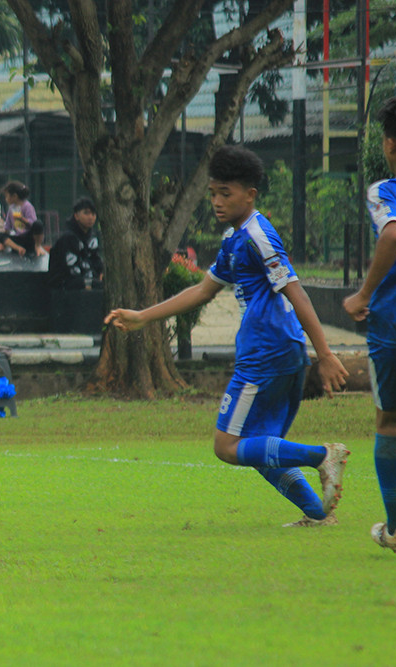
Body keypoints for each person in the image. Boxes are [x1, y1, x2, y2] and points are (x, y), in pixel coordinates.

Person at [104, 144, 350, 527]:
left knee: (227, 446)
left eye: (226, 193)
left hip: (266, 350)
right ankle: (318, 515)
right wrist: (142, 317)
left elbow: (296, 292)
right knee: (259, 448)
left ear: (250, 194)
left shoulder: (257, 235)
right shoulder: (234, 238)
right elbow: (203, 290)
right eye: (213, 193)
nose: (217, 202)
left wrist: (327, 354)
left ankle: (322, 456)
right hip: (282, 349)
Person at [343, 96, 396, 554]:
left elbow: (394, 232)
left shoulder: (385, 191)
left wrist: (363, 293)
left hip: (393, 322)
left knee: (390, 419)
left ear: (389, 144)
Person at [48, 197, 104, 290]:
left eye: (93, 214)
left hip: (84, 280)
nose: (90, 217)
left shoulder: (92, 236)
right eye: (86, 213)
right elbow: (71, 270)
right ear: (76, 216)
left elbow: (95, 259)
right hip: (64, 285)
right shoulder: (68, 238)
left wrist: (101, 271)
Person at [1, 181, 47, 257]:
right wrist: (5, 235)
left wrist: (21, 219)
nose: (6, 199)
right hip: (18, 237)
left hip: (29, 237)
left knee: (38, 224)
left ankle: (38, 246)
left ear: (14, 196)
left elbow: (32, 224)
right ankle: (17, 248)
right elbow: (8, 225)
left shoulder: (27, 206)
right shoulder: (11, 208)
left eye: (7, 196)